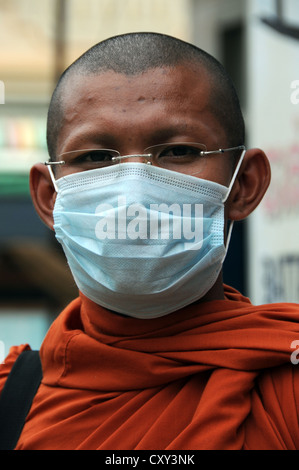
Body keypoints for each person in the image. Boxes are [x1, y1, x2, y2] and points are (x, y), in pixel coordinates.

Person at [1, 32, 299, 450]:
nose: (133, 196)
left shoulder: (286, 378)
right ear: (50, 198)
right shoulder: (10, 396)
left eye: (177, 151)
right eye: (95, 158)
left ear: (244, 185)